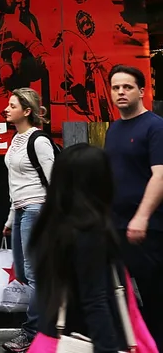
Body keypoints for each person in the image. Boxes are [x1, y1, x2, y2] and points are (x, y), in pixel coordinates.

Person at [31, 144, 133, 353]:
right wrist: (109, 347)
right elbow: (95, 300)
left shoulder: (50, 225)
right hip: (88, 338)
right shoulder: (90, 230)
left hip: (54, 335)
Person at [103, 64, 163, 341]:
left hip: (148, 230)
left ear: (141, 91)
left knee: (155, 301)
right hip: (116, 228)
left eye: (127, 87)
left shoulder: (155, 126)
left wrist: (141, 217)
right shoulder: (114, 129)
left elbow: (160, 175)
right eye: (116, 87)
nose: (120, 92)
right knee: (119, 297)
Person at [1, 88, 55, 353]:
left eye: (12, 105)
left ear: (27, 111)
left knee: (33, 274)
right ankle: (45, 322)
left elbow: (54, 180)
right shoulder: (15, 140)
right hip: (22, 209)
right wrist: (11, 219)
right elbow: (15, 184)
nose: (7, 109)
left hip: (38, 208)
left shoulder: (39, 141)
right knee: (23, 272)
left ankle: (33, 331)